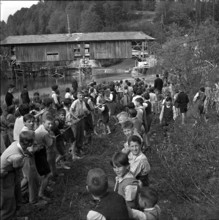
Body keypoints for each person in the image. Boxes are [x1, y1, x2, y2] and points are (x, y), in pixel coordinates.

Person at [0, 131, 35, 220]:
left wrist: (28, 153)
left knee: (17, 195)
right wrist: (24, 158)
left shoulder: (17, 143)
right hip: (4, 176)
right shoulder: (16, 156)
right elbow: (18, 166)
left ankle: (14, 216)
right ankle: (6, 217)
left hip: (11, 173)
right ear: (30, 143)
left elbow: (24, 151)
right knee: (8, 199)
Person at [34, 115, 54, 201]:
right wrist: (52, 137)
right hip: (40, 154)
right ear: (43, 123)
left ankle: (44, 187)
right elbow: (50, 144)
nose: (50, 126)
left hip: (37, 153)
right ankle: (41, 193)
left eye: (51, 124)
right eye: (48, 124)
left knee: (43, 174)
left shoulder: (39, 129)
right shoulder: (45, 133)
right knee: (48, 174)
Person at [70, 90, 89, 157]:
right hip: (76, 120)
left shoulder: (83, 102)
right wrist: (75, 117)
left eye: (82, 95)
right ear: (77, 96)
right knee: (76, 135)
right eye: (80, 95)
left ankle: (79, 148)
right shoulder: (75, 102)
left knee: (81, 134)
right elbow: (71, 111)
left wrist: (86, 112)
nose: (81, 96)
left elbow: (85, 109)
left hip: (82, 119)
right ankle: (73, 151)